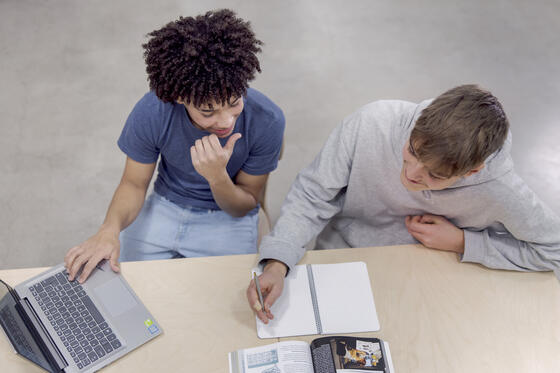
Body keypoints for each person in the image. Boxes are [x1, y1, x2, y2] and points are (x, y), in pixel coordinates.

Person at [247, 84, 560, 323]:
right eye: (411, 151)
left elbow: (553, 249)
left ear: (473, 171)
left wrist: (465, 242)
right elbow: (312, 195)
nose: (410, 175)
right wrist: (278, 263)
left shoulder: (501, 189)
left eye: (434, 175)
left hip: (433, 287)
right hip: (344, 261)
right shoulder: (371, 123)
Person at [64, 9, 285, 283]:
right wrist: (109, 230)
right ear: (180, 98)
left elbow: (244, 204)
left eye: (234, 102)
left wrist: (217, 177)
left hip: (226, 219)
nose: (226, 121)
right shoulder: (154, 111)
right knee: (118, 287)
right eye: (208, 111)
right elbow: (134, 184)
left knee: (224, 303)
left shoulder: (267, 120)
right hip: (165, 206)